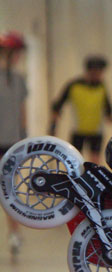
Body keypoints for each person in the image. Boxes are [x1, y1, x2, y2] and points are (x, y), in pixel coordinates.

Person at [51, 55, 112, 164]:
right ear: (91, 71)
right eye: (98, 72)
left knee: (95, 161)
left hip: (96, 130)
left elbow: (107, 104)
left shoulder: (101, 86)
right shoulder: (74, 85)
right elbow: (58, 104)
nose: (100, 75)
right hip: (78, 129)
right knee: (75, 159)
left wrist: (110, 114)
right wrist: (53, 125)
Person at [0, 31, 27, 260]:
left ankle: (14, 234)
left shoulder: (18, 79)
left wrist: (24, 137)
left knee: (9, 190)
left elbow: (22, 110)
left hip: (11, 142)